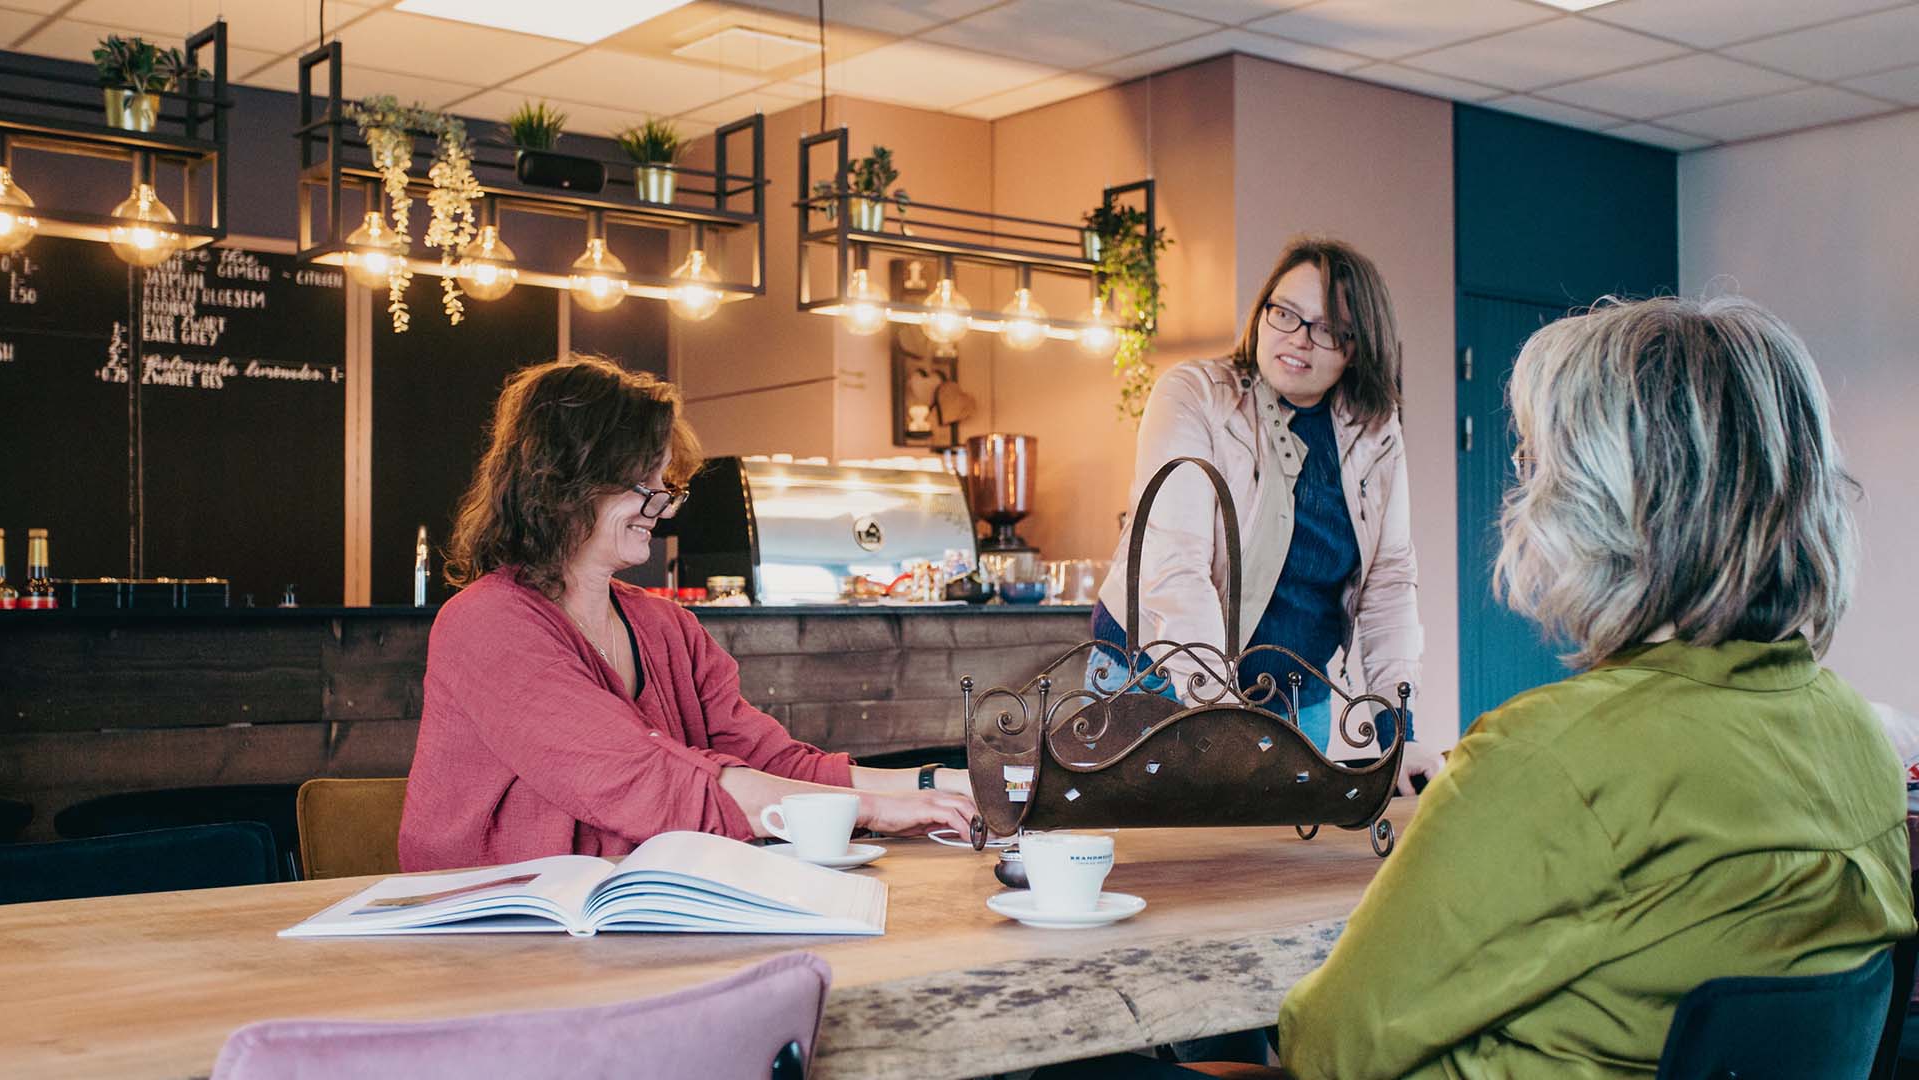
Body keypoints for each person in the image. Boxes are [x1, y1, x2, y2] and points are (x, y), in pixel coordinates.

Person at [1042, 295, 1916, 1079]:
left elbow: (1331, 1045)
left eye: (1542, 467)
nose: (1526, 495)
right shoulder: (1860, 741)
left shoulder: (1549, 757)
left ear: (1605, 507)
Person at [399, 355, 977, 871]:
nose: (661, 506)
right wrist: (873, 809)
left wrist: (934, 783)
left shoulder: (665, 626)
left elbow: (773, 762)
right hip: (492, 928)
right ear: (564, 484)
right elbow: (640, 779)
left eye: (664, 485)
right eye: (642, 484)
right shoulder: (488, 623)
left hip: (634, 912)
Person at [1090, 235, 1444, 795]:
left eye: (1326, 328)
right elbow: (1175, 565)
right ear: (1263, 312)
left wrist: (1397, 733)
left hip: (1294, 700)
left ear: (1357, 346)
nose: (1297, 339)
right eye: (1285, 314)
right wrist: (1222, 716)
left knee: (1274, 875)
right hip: (1158, 682)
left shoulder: (1375, 431)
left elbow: (1388, 584)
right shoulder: (1195, 395)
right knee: (1157, 869)